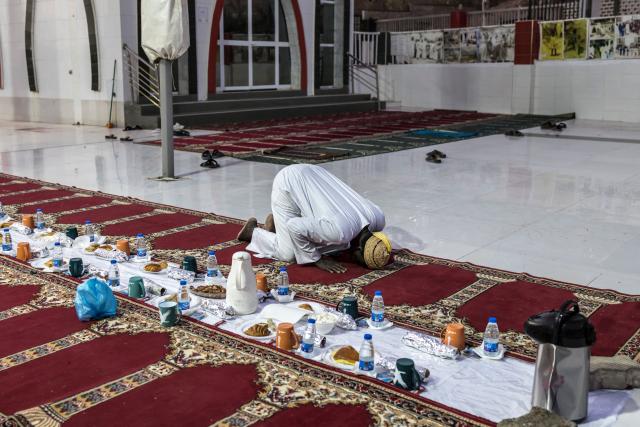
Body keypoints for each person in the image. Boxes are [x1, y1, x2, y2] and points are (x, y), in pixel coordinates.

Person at [238, 164, 391, 273]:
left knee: (336, 245)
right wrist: (317, 259)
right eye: (359, 259)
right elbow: (293, 226)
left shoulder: (379, 218)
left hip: (313, 171)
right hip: (288, 182)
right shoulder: (339, 232)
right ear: (358, 248)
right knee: (290, 254)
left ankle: (277, 225)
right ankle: (254, 232)